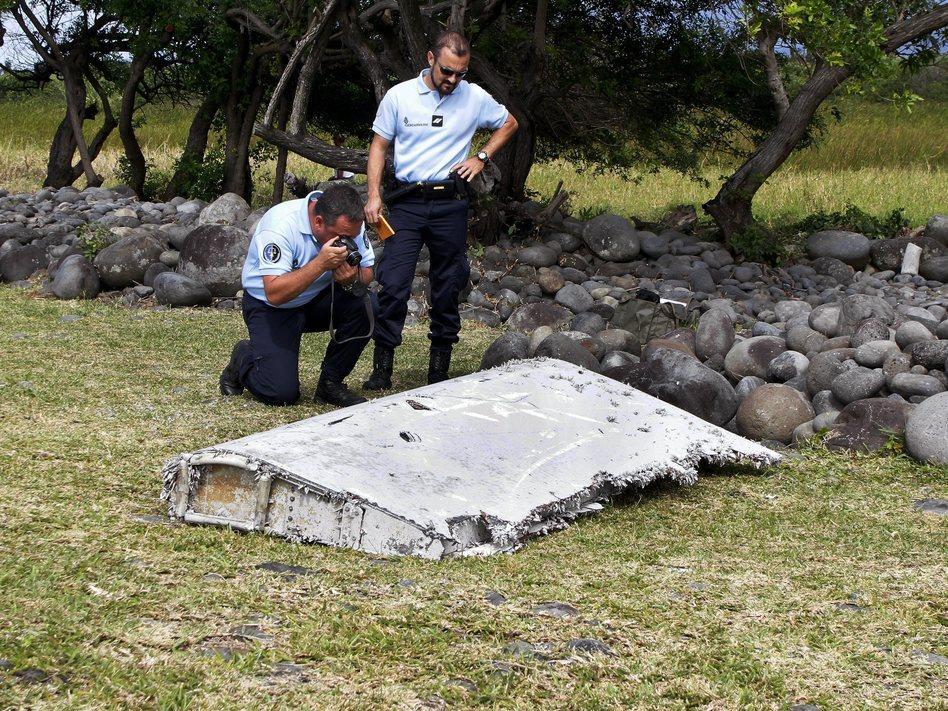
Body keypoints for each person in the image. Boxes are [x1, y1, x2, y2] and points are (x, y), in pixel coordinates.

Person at [362, 30, 518, 390]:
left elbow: (509, 123)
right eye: (447, 71)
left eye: (460, 73)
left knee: (448, 285)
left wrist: (481, 157)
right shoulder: (399, 96)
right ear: (431, 59)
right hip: (406, 203)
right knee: (395, 285)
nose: (452, 80)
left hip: (450, 204)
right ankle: (382, 368)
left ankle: (439, 372)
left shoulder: (474, 97)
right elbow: (378, 146)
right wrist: (374, 195)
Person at [219, 182, 375, 407]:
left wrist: (352, 278)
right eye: (341, 237)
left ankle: (330, 384)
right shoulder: (280, 225)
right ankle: (242, 357)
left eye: (351, 236)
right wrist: (320, 264)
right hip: (272, 307)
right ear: (318, 222)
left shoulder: (349, 225)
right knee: (281, 394)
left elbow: (368, 271)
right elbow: (274, 293)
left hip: (315, 299)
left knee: (368, 306)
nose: (347, 243)